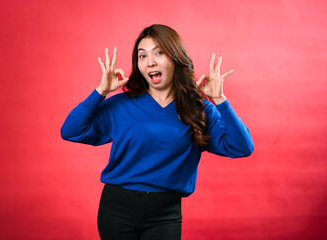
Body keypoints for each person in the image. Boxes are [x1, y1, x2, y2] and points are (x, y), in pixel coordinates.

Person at [61, 24, 254, 240]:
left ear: (175, 58)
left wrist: (219, 100)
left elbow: (242, 147)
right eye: (142, 56)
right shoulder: (122, 105)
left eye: (159, 53)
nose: (150, 61)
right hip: (117, 209)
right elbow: (71, 131)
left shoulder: (199, 109)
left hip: (165, 213)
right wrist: (101, 91)